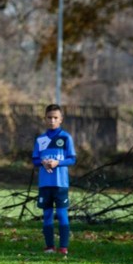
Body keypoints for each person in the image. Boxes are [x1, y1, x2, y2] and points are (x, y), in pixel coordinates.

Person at [32, 104, 76, 255]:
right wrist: (43, 162)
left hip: (61, 184)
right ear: (45, 119)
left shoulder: (65, 138)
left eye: (55, 118)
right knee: (47, 216)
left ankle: (63, 247)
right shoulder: (41, 139)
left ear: (61, 119)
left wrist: (58, 163)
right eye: (49, 118)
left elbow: (72, 159)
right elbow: (35, 160)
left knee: (63, 215)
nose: (52, 121)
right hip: (45, 184)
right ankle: (49, 247)